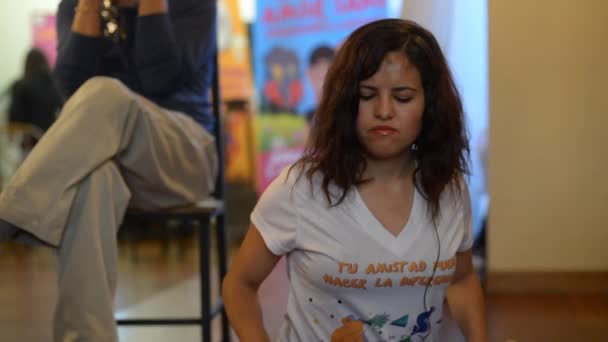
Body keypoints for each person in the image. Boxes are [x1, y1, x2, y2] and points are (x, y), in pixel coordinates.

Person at [223, 19, 488, 342]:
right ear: (347, 100)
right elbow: (239, 284)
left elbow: (461, 280)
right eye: (367, 95)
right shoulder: (300, 189)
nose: (384, 110)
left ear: (429, 105)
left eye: (403, 97)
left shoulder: (448, 187)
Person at [0, 0, 217, 340]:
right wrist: (88, 7)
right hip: (111, 163)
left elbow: (160, 80)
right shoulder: (75, 6)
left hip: (183, 158)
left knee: (107, 93)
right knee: (93, 181)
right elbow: (71, 92)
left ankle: (11, 213)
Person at [8, 48, 64, 132]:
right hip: (52, 135)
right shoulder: (54, 83)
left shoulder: (20, 85)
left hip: (30, 138)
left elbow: (14, 117)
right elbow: (61, 106)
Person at [304, 45, 335, 123]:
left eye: (327, 70)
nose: (322, 75)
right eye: (318, 70)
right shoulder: (304, 118)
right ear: (308, 73)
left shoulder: (346, 114)